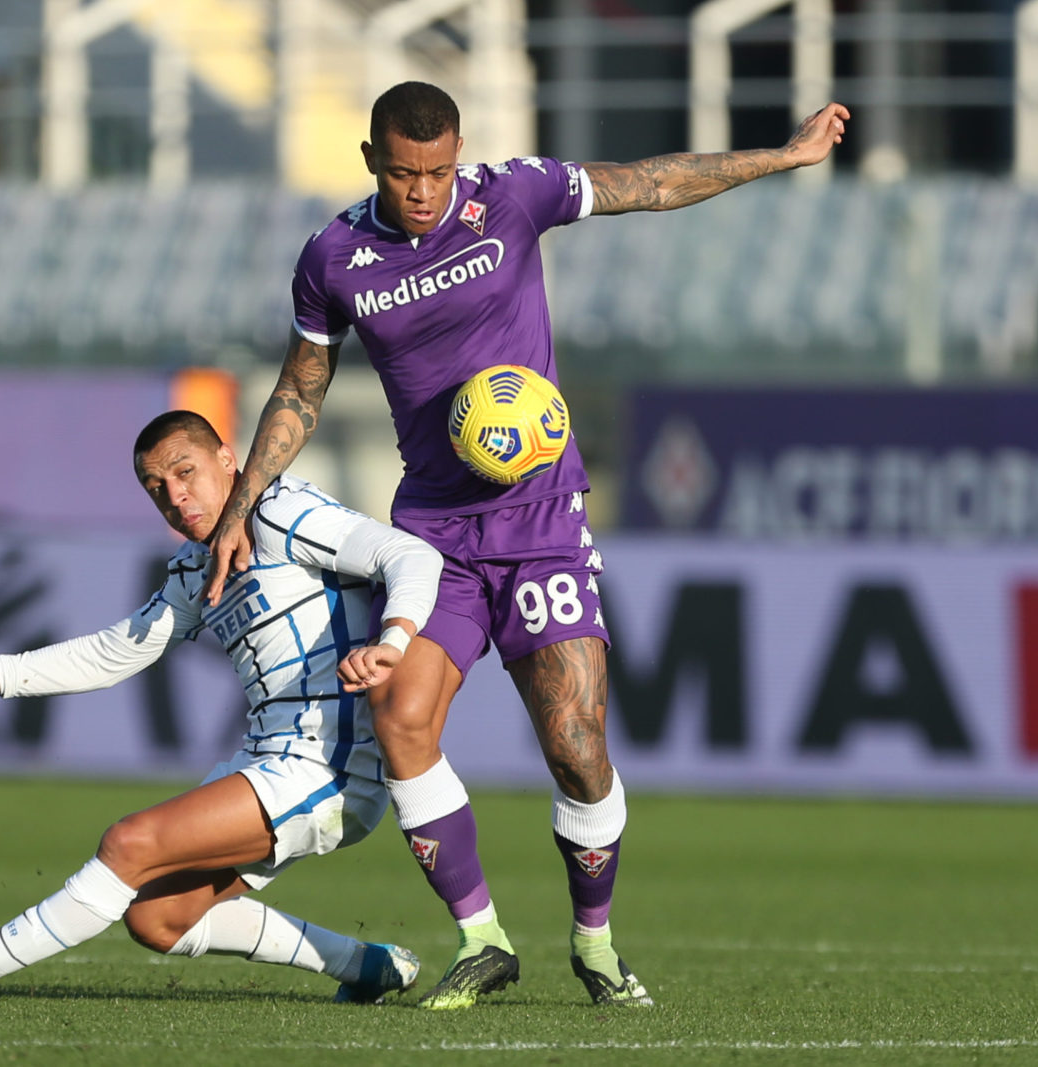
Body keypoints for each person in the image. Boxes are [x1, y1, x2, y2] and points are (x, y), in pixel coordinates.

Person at [201, 82, 849, 1009]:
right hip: (434, 531)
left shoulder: (512, 194)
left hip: (542, 520)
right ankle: (481, 938)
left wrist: (782, 157)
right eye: (402, 171)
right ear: (370, 159)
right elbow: (302, 388)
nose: (422, 189)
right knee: (401, 719)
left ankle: (595, 942)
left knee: (579, 745)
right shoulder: (334, 257)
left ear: (458, 155)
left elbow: (650, 183)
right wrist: (241, 502)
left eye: (436, 170)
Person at [0, 410, 445, 1006]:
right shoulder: (196, 566)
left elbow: (413, 558)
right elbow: (113, 654)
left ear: (228, 461)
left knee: (129, 844)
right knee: (158, 918)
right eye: (157, 488)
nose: (176, 496)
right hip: (270, 760)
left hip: (329, 767)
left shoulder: (281, 513)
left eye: (186, 472)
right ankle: (365, 966)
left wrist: (391, 642)